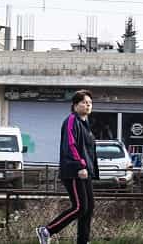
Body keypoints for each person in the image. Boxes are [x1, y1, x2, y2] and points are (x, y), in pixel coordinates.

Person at [38, 90, 98, 244]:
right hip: (74, 171)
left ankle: (83, 241)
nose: (88, 105)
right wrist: (79, 166)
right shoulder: (72, 120)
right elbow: (70, 145)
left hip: (86, 172)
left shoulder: (85, 125)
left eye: (90, 103)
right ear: (75, 105)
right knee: (79, 207)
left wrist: (90, 169)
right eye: (84, 102)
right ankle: (47, 230)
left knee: (88, 208)